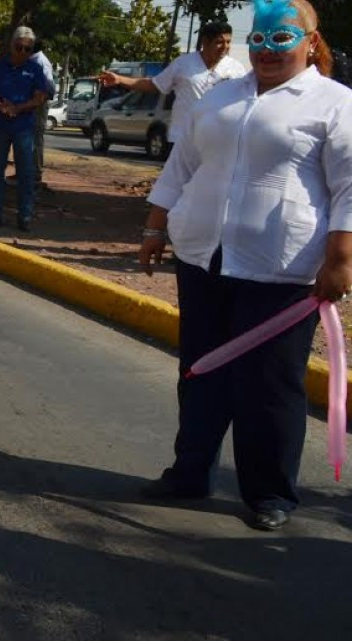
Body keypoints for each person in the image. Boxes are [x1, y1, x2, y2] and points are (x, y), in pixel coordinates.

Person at [138, 0, 352, 532]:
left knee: (271, 385)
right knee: (200, 372)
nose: (267, 51)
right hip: (202, 257)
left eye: (282, 39)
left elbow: (350, 186)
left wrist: (342, 257)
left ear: (310, 40)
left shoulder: (334, 103)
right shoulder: (220, 96)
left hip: (282, 270)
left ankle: (270, 491)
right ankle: (191, 472)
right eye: (258, 40)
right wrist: (154, 225)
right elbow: (182, 163)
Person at [100, 22, 246, 148]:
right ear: (205, 42)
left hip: (219, 141)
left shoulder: (236, 69)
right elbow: (154, 85)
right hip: (182, 139)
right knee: (178, 181)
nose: (225, 47)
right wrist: (119, 79)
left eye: (228, 42)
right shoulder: (183, 64)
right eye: (219, 42)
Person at [0, 27, 48, 232]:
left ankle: (24, 216)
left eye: (27, 49)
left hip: (23, 128)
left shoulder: (35, 69)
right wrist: (1, 106)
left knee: (26, 174)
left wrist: (19, 108)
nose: (22, 52)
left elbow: (40, 97)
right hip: (0, 125)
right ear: (12, 46)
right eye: (19, 47)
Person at [30, 39, 56, 188]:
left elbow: (50, 87)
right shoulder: (30, 60)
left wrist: (37, 101)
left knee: (36, 138)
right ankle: (26, 170)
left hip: (38, 104)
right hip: (30, 103)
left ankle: (36, 172)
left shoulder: (40, 61)